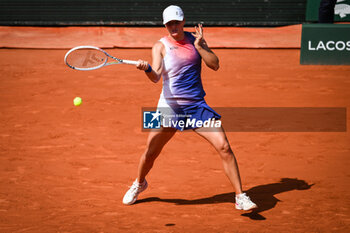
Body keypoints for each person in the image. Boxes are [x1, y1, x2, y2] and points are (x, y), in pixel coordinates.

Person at [122, 5, 257, 211]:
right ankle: (139, 183)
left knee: (224, 147)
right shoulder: (159, 46)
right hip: (169, 107)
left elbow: (215, 64)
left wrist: (201, 46)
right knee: (151, 153)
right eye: (169, 23)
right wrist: (147, 68)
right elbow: (156, 77)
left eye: (176, 22)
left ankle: (240, 196)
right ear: (165, 25)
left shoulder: (196, 40)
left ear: (183, 21)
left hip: (196, 106)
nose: (173, 26)